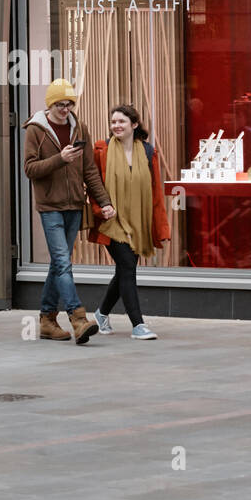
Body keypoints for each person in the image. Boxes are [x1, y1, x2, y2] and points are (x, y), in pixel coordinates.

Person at [22, 79, 115, 344]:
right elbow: (30, 169)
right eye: (60, 104)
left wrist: (104, 201)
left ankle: (47, 320)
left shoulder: (79, 128)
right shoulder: (36, 130)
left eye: (69, 104)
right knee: (63, 262)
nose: (65, 109)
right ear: (49, 105)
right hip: (50, 207)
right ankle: (78, 317)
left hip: (74, 205)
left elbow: (89, 171)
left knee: (58, 264)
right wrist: (59, 159)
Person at [87, 104, 169, 340]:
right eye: (113, 122)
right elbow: (93, 185)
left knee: (125, 270)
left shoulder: (147, 152)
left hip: (138, 222)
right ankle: (138, 325)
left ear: (134, 125)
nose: (116, 126)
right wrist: (101, 208)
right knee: (127, 268)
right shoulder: (101, 150)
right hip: (112, 221)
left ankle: (102, 313)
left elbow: (155, 192)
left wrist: (160, 226)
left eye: (121, 121)